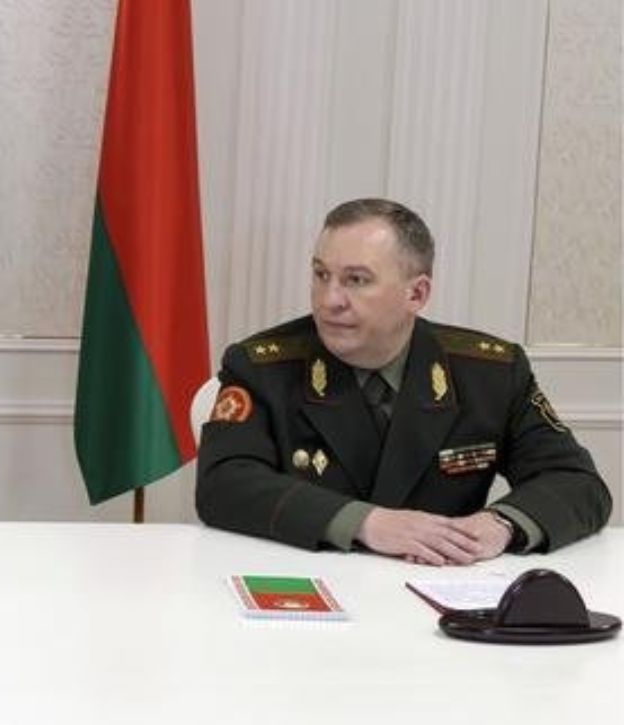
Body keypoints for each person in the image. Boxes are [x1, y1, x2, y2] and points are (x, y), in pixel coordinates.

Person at [195, 198, 611, 565]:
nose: (329, 300)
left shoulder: (491, 374)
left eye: (356, 280)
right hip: (306, 594)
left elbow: (578, 484)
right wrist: (366, 523)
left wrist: (500, 524)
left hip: (444, 602)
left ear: (417, 294)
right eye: (321, 275)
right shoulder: (263, 367)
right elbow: (223, 485)